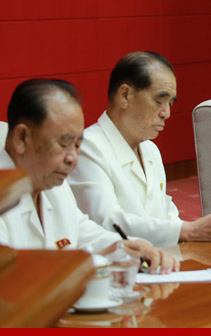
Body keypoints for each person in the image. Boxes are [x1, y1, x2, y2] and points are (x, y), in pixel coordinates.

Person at [0, 79, 178, 274]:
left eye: (77, 145)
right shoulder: (6, 190)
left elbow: (82, 231)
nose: (72, 158)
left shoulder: (51, 181)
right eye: (63, 144)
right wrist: (91, 262)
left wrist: (126, 246)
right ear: (22, 138)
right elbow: (11, 277)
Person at [68, 52, 211, 248]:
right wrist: (187, 230)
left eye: (170, 103)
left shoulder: (150, 149)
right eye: (159, 101)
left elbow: (167, 214)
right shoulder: (88, 147)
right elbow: (108, 223)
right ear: (125, 95)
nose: (167, 113)